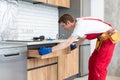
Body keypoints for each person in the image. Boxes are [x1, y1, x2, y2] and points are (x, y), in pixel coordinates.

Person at [39, 14, 118, 80]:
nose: (63, 28)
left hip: (109, 39)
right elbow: (84, 35)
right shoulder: (79, 21)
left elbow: (68, 42)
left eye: (63, 25)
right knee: (92, 61)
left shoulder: (79, 25)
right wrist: (77, 45)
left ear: (68, 23)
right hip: (103, 39)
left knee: (99, 66)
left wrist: (50, 50)